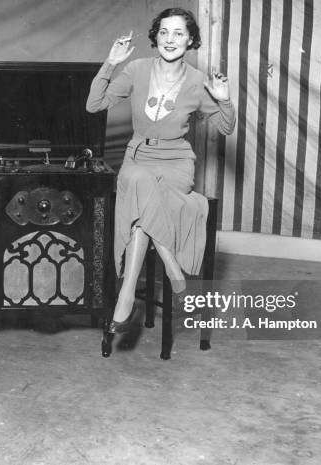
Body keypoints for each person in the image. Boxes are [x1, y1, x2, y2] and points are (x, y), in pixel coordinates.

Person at [86, 7, 236, 339]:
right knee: (140, 184)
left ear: (191, 39)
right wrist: (111, 62)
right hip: (138, 156)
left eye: (179, 33)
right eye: (164, 32)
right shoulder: (137, 69)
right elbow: (93, 104)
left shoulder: (197, 82)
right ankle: (171, 264)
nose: (171, 39)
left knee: (141, 209)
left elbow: (226, 127)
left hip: (176, 162)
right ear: (156, 37)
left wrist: (224, 100)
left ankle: (125, 297)